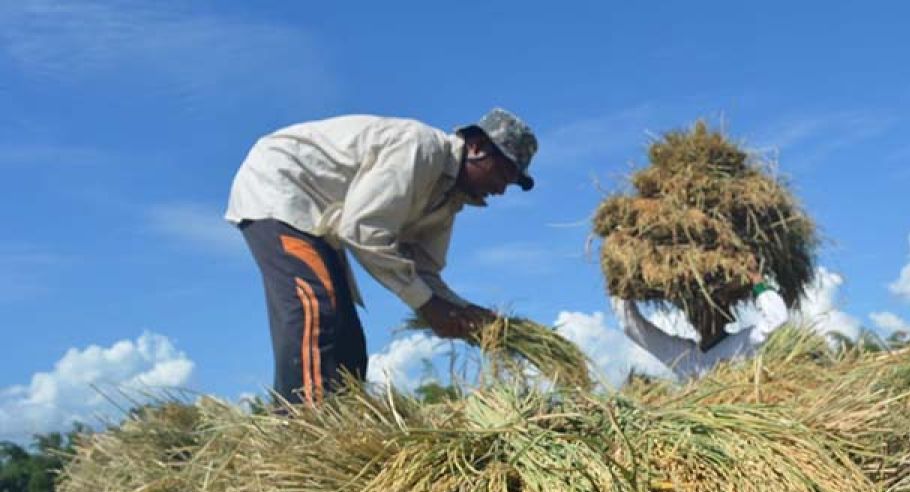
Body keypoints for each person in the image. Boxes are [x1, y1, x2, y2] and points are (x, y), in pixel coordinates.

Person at [225, 108, 538, 405]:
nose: (502, 189)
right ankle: (302, 431)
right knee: (316, 311)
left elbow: (423, 272)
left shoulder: (446, 203)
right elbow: (362, 229)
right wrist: (429, 306)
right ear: (477, 146)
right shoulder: (420, 149)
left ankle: (344, 430)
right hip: (282, 186)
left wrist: (464, 312)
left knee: (348, 344)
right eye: (503, 173)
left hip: (322, 221)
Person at [612, 272, 789, 380]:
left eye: (708, 306)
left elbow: (777, 319)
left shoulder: (743, 344)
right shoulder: (685, 357)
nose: (699, 314)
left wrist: (757, 281)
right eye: (694, 309)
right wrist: (620, 291)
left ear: (725, 310)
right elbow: (631, 327)